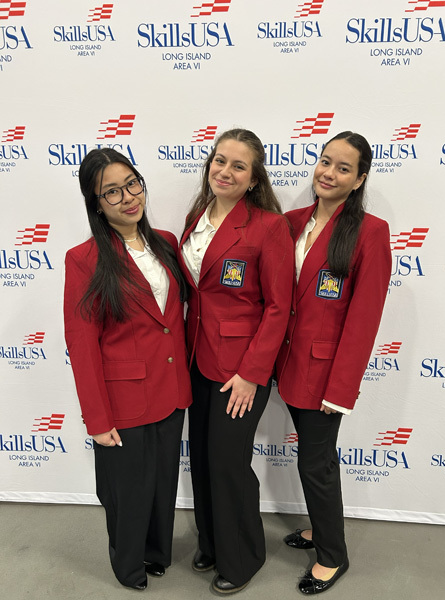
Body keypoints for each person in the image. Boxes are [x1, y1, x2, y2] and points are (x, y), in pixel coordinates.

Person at [64, 148, 192, 590]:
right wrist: (97, 421)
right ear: (96, 203)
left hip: (172, 390)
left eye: (131, 184)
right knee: (126, 493)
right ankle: (129, 566)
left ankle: (156, 554)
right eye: (111, 192)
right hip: (123, 400)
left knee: (162, 487)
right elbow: (82, 345)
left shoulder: (167, 243)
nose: (127, 198)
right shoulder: (84, 259)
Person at [178, 128, 294, 594]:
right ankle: (212, 542)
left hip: (241, 370)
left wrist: (251, 374)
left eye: (238, 166)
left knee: (228, 463)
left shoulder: (268, 227)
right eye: (219, 160)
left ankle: (242, 557)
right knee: (204, 460)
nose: (225, 171)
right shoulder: (196, 217)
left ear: (253, 178)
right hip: (195, 359)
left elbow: (278, 307)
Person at [276, 131, 391, 594]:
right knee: (316, 460)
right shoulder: (290, 221)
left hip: (324, 377)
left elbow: (364, 322)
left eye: (344, 168)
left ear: (359, 178)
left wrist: (340, 391)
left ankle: (332, 555)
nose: (329, 173)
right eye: (325, 162)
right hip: (284, 368)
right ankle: (320, 530)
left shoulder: (370, 232)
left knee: (315, 464)